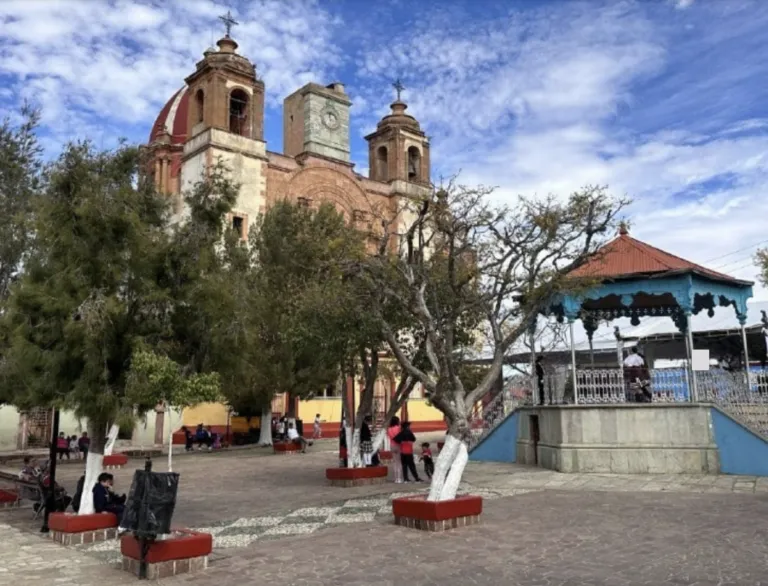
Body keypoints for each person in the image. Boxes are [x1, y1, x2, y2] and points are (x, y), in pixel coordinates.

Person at [387, 416, 403, 484]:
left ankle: (395, 478)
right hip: (398, 445)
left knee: (395, 462)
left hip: (392, 445)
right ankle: (399, 478)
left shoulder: (389, 429)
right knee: (399, 462)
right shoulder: (398, 428)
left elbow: (389, 437)